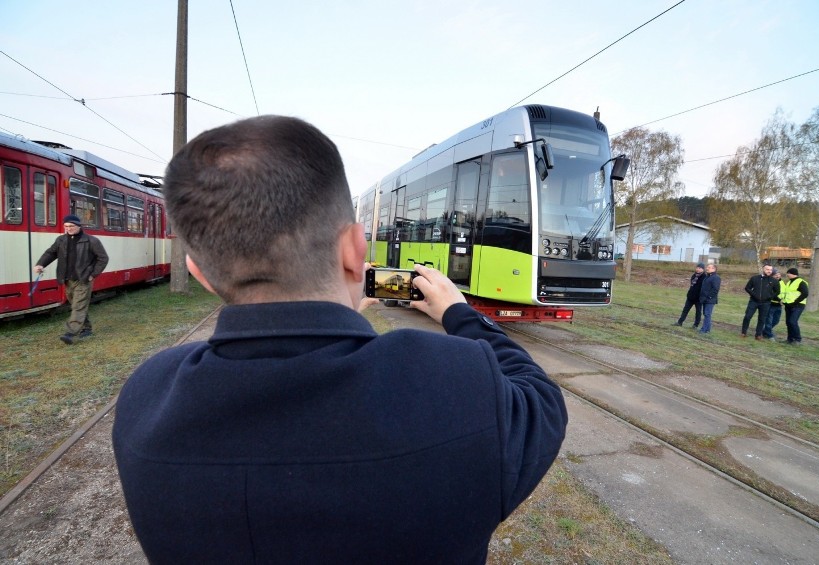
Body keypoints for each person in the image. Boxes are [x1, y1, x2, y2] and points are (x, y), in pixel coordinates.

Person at [111, 115, 568, 564]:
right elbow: (541, 399)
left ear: (200, 274)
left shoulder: (145, 400)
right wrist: (458, 312)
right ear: (355, 249)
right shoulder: (458, 381)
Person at [34, 214, 109, 345]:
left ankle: (70, 333)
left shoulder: (91, 241)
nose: (68, 229)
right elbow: (50, 253)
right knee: (76, 304)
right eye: (66, 226)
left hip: (83, 279)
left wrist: (93, 274)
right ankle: (86, 328)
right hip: (67, 279)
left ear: (79, 226)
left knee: (78, 306)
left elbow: (103, 258)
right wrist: (41, 264)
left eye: (71, 226)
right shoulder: (61, 240)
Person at [740, 264, 780, 341]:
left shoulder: (774, 281)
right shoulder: (755, 278)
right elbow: (747, 288)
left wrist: (769, 297)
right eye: (767, 269)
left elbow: (777, 291)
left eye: (770, 270)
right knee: (748, 316)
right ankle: (743, 332)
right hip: (753, 301)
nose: (769, 271)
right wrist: (754, 295)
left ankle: (758, 335)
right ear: (763, 269)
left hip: (765, 303)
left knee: (762, 319)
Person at [672, 262, 705, 328]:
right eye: (697, 268)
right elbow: (692, 286)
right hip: (690, 297)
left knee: (698, 312)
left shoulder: (704, 277)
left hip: (698, 298)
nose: (698, 269)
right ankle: (680, 322)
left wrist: (701, 297)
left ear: (703, 269)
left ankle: (695, 325)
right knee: (685, 310)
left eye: (700, 268)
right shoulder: (694, 275)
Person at [783, 267, 809, 345]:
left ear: (792, 274)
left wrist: (795, 302)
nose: (787, 275)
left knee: (792, 322)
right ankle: (790, 339)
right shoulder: (789, 282)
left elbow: (805, 293)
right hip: (788, 305)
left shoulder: (801, 282)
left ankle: (797, 339)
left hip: (797, 305)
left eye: (788, 273)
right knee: (788, 322)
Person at [762, 268, 784, 341]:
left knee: (776, 320)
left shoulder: (782, 283)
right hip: (771, 304)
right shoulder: (770, 282)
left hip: (779, 305)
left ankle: (765, 331)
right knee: (769, 320)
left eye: (778, 274)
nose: (777, 276)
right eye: (775, 275)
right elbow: (771, 293)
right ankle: (769, 335)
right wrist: (779, 300)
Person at [698, 263, 720, 334]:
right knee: (706, 314)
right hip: (705, 299)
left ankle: (704, 330)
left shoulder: (716, 277)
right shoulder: (707, 276)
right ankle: (707, 329)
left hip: (710, 300)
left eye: (709, 267)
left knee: (707, 314)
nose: (707, 268)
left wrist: (709, 297)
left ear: (714, 269)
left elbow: (715, 289)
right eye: (707, 267)